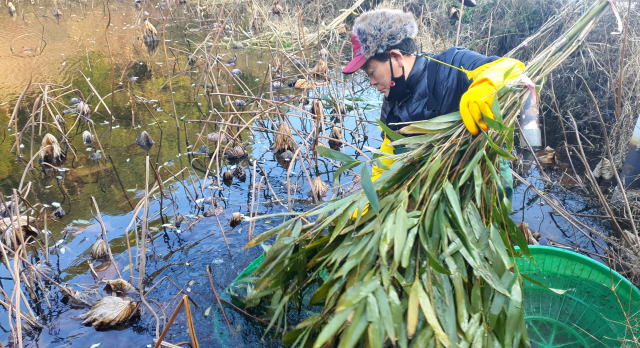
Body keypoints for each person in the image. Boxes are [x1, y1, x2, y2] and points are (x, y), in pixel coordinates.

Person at [342, 9, 524, 196]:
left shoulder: (451, 65)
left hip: (481, 186)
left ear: (396, 58)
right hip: (435, 190)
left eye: (371, 72)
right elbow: (390, 147)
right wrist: (372, 189)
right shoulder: (391, 101)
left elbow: (510, 67)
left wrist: (485, 85)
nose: (372, 82)